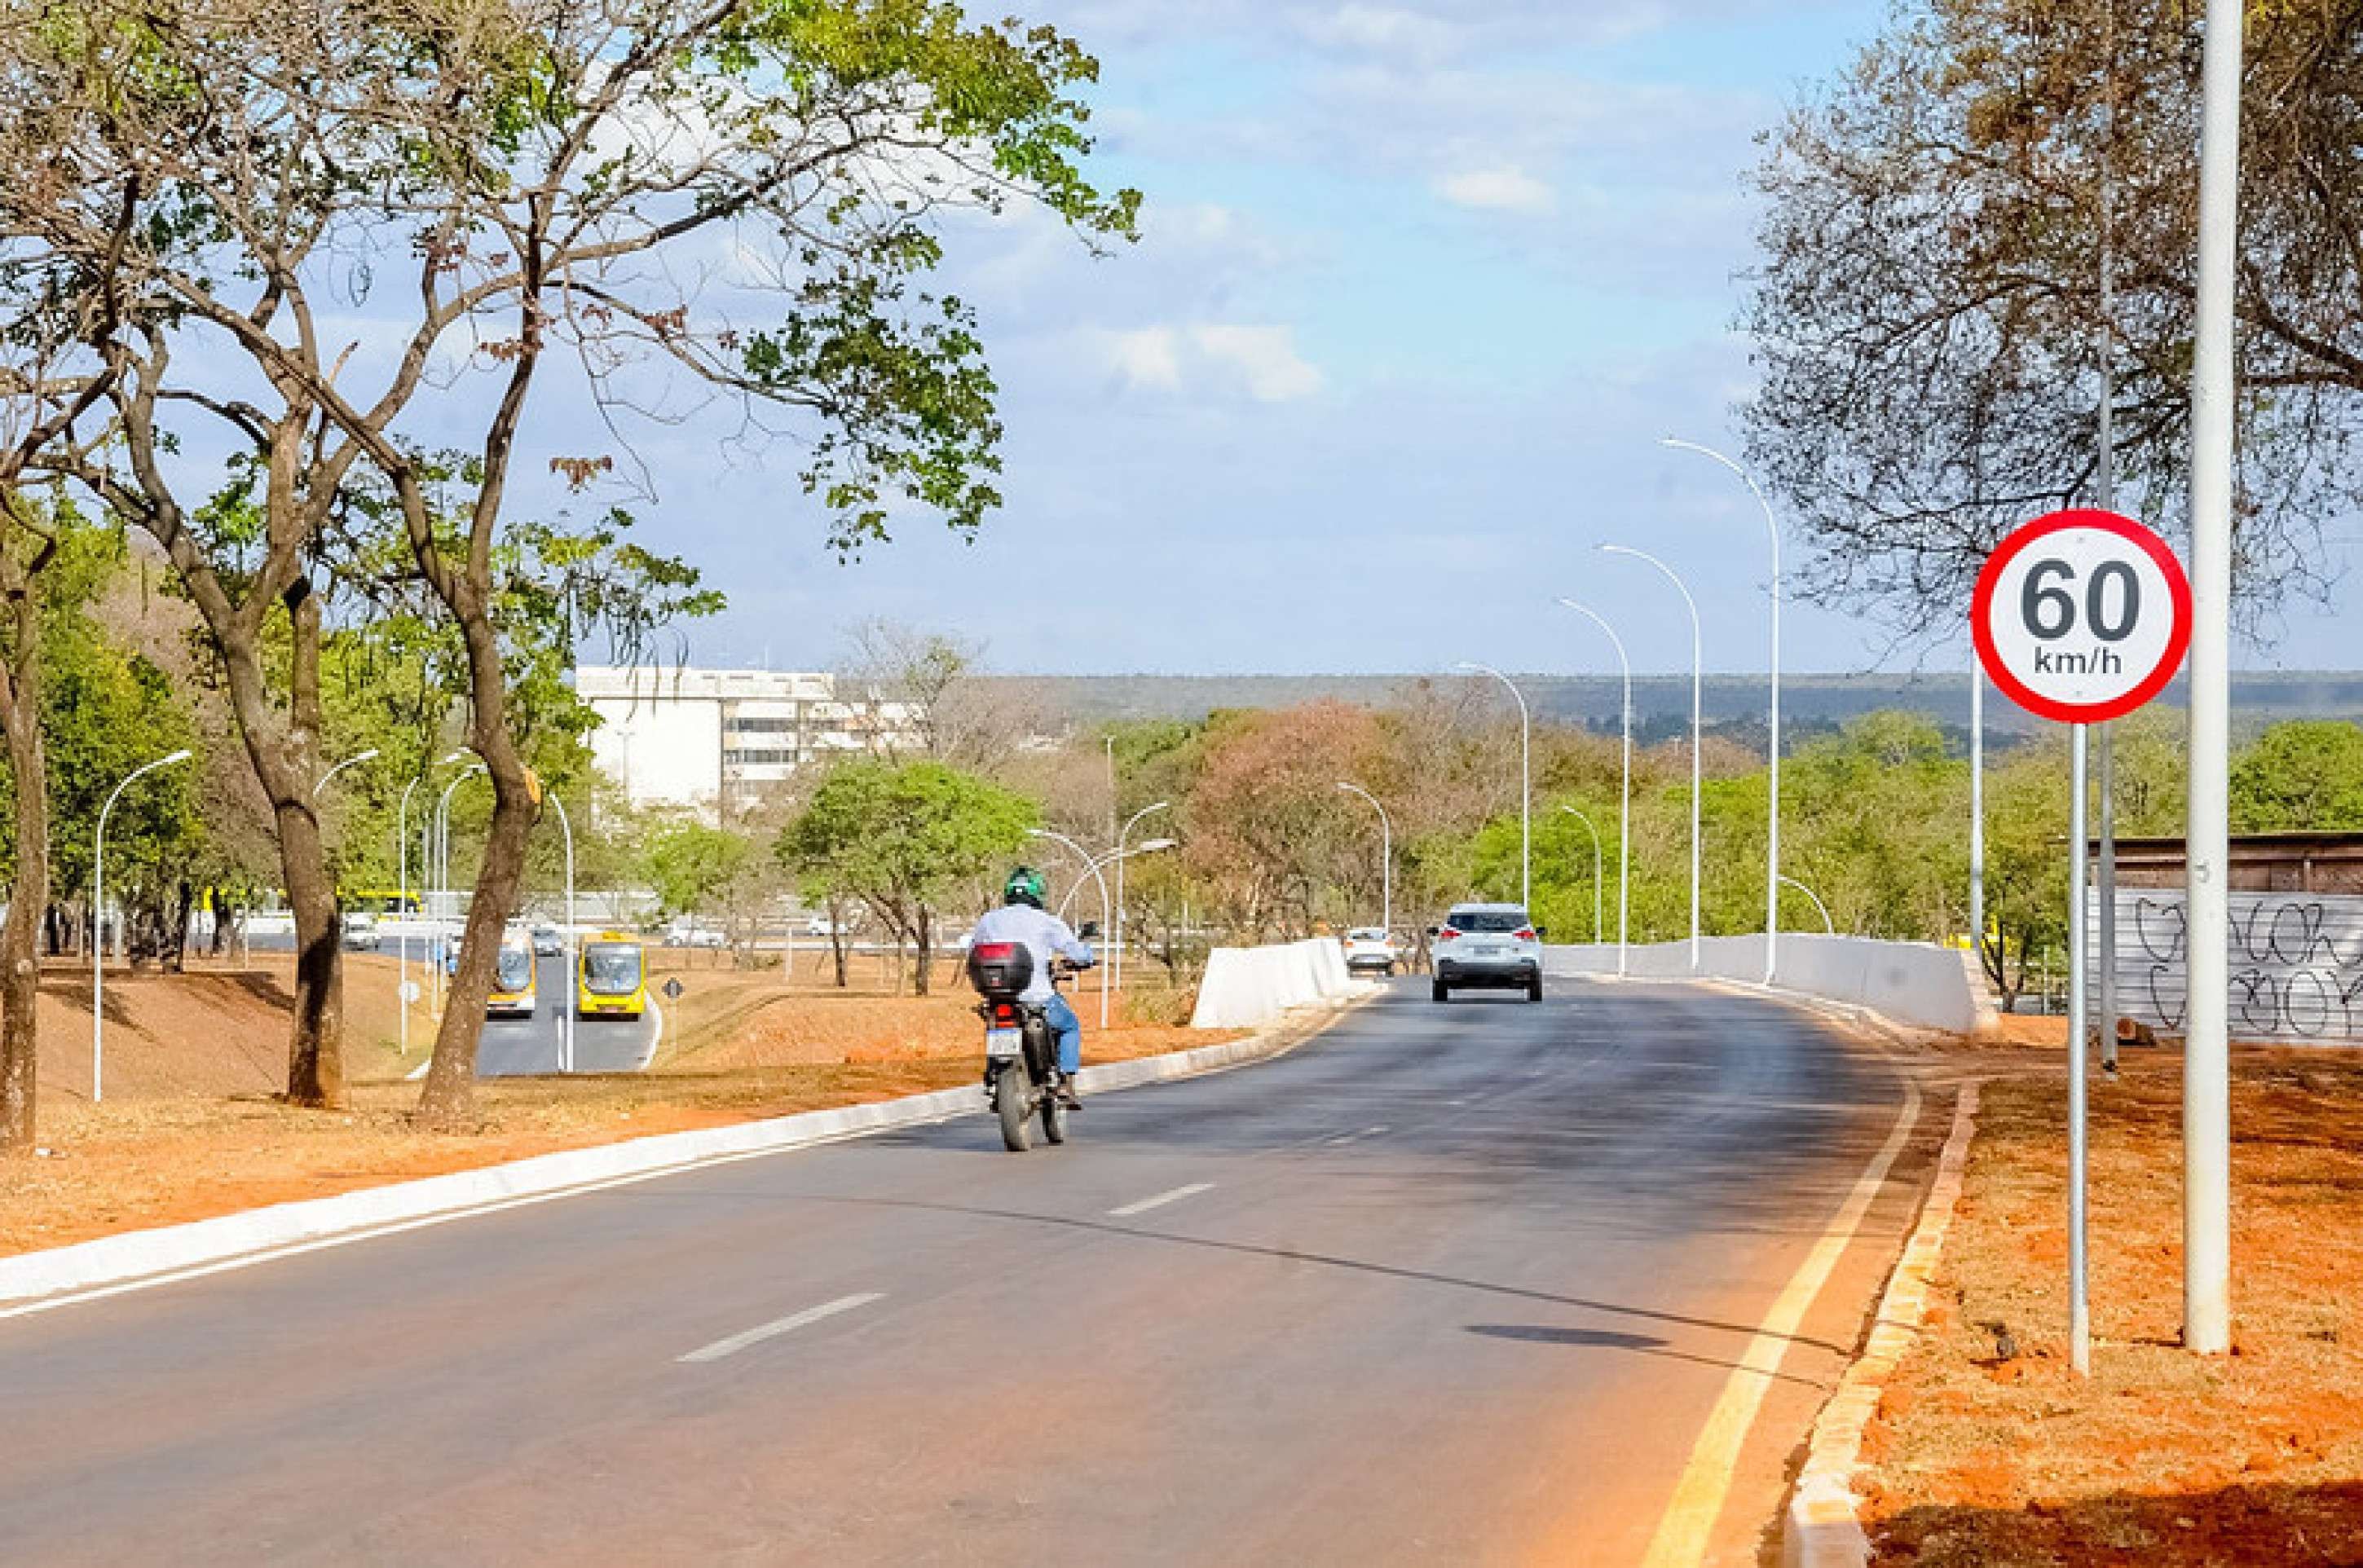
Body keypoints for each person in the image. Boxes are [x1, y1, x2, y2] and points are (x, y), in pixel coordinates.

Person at [966, 865, 1095, 1103]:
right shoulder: (1047, 922)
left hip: (997, 997)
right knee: (1070, 1026)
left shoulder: (988, 920)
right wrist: (1087, 957)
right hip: (1038, 997)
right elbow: (1077, 952)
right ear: (1037, 893)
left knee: (994, 1024)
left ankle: (992, 1074)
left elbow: (972, 950)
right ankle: (1066, 1083)